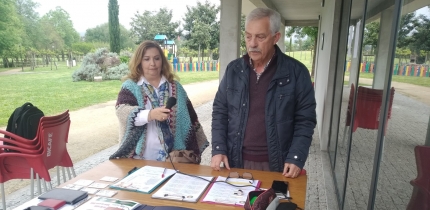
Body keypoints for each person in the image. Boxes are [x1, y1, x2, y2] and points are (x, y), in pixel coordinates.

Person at [211, 7, 316, 178]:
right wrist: (218, 148)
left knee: (271, 205)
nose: (252, 43)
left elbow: (305, 119)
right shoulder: (234, 70)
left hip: (277, 164)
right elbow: (220, 111)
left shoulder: (296, 72)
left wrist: (296, 157)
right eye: (248, 36)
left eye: (260, 37)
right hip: (235, 161)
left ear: (276, 37)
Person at [110, 40, 208, 162]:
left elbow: (189, 118)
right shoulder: (131, 86)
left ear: (162, 61)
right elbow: (122, 111)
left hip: (174, 159)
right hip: (139, 158)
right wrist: (150, 114)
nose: (152, 63)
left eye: (157, 58)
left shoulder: (176, 88)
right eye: (146, 59)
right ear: (139, 62)